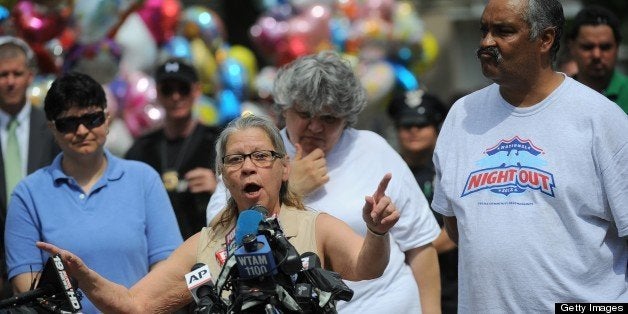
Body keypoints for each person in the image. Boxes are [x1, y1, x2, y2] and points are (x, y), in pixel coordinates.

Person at [33, 114, 400, 313]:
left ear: (283, 168)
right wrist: (84, 276)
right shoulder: (205, 244)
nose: (249, 167)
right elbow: (136, 305)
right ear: (223, 173)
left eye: (261, 156)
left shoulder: (314, 225)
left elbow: (367, 266)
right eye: (236, 159)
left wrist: (377, 232)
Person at [207, 51, 441, 313]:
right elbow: (217, 232)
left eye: (329, 118)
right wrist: (289, 187)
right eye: (305, 114)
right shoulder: (258, 152)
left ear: (347, 117)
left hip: (388, 301)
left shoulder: (373, 149)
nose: (315, 127)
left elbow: (419, 245)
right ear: (285, 109)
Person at [432, 0, 628, 312]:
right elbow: (457, 226)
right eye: (484, 30)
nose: (486, 42)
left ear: (545, 39)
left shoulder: (601, 120)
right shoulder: (462, 116)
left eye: (503, 31)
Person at [4, 72, 183, 314]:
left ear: (107, 120)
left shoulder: (144, 179)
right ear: (52, 129)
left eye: (92, 119)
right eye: (68, 123)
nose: (81, 130)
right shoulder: (27, 194)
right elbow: (27, 287)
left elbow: (169, 267)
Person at [125, 58, 221, 239]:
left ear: (197, 91)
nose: (176, 96)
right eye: (167, 90)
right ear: (158, 94)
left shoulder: (218, 141)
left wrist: (219, 189)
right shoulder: (142, 147)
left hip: (208, 242)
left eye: (183, 88)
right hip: (160, 248)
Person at [387, 89, 457, 314]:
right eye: (406, 125)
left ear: (436, 128)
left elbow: (458, 230)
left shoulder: (451, 168)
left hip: (452, 281)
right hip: (401, 285)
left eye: (422, 124)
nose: (413, 131)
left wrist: (412, 253)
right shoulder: (388, 170)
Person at [0, 36, 60, 297]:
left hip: (44, 262)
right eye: (3, 74)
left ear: (30, 76)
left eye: (17, 73)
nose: (10, 81)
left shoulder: (53, 128)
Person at [567, 5, 628, 114]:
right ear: (572, 47)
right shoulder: (559, 95)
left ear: (617, 47)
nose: (596, 55)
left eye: (605, 47)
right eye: (587, 47)